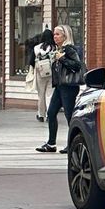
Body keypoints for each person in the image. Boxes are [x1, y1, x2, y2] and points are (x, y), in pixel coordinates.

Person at [36, 25, 83, 153]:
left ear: (65, 36)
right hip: (59, 86)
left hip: (69, 87)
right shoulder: (58, 49)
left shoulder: (69, 49)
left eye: (58, 34)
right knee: (51, 112)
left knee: (69, 115)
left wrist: (61, 58)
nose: (55, 37)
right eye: (54, 34)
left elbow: (77, 65)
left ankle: (73, 144)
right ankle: (51, 143)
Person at [33, 29, 56, 122]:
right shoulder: (55, 47)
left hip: (40, 73)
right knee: (49, 95)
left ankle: (41, 114)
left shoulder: (37, 48)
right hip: (51, 73)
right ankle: (49, 114)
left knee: (41, 95)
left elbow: (32, 61)